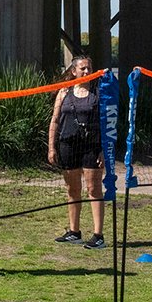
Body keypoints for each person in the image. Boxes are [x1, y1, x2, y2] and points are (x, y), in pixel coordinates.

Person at [48, 55, 105, 249]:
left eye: (89, 68)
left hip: (91, 146)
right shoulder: (64, 92)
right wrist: (51, 147)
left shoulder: (98, 93)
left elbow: (107, 123)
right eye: (83, 68)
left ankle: (98, 236)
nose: (87, 71)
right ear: (74, 71)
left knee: (93, 189)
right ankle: (74, 232)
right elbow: (55, 120)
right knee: (72, 189)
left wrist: (104, 150)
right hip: (68, 144)